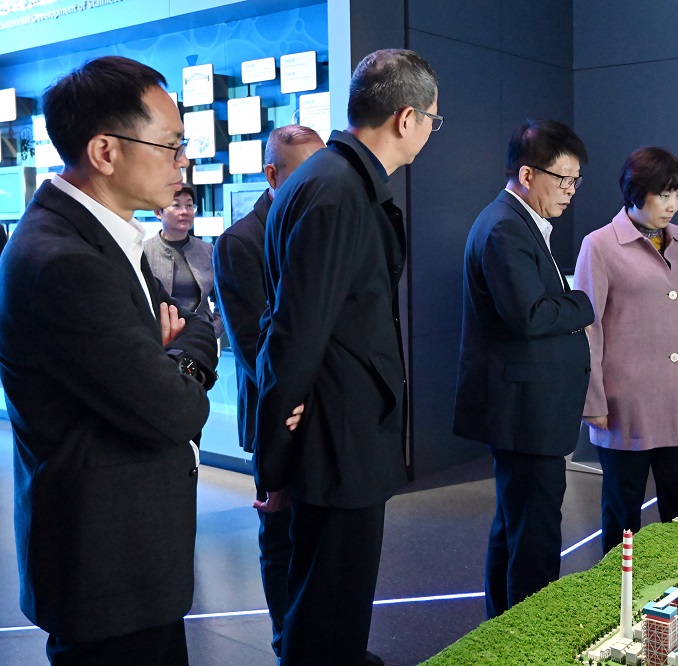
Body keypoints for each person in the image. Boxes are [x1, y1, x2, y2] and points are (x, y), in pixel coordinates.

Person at [0, 56, 219, 664]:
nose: (182, 161)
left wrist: (167, 356)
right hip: (106, 568)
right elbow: (174, 410)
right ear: (105, 151)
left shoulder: (100, 238)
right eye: (171, 145)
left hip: (128, 556)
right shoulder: (63, 261)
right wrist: (186, 352)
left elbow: (164, 360)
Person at [254, 49, 439, 666]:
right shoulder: (336, 191)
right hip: (336, 436)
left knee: (338, 593)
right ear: (406, 118)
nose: (431, 132)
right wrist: (275, 461)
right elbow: (297, 331)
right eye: (433, 119)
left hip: (343, 429)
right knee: (329, 598)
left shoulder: (333, 180)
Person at [454, 119, 595, 619]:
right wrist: (584, 303)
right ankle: (528, 633)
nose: (570, 190)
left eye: (576, 179)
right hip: (525, 412)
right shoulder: (505, 227)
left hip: (528, 409)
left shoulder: (517, 221)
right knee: (533, 536)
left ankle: (501, 628)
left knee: (515, 527)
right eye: (563, 178)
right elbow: (530, 315)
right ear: (528, 173)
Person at [212, 124, 325, 662]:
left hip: (319, 410)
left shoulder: (320, 224)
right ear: (272, 175)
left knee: (319, 535)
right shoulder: (240, 241)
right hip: (276, 413)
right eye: (305, 173)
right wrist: (296, 398)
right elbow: (255, 345)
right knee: (280, 535)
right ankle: (288, 644)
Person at [574, 146, 678, 555]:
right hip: (626, 403)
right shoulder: (600, 245)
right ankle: (617, 589)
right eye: (664, 195)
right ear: (636, 191)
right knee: (622, 514)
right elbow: (587, 329)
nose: (673, 205)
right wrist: (592, 401)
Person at [145, 183, 224, 338]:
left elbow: (223, 301)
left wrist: (212, 331)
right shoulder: (144, 252)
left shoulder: (208, 250)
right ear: (158, 212)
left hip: (201, 338)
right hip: (157, 341)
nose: (184, 211)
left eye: (189, 205)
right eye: (176, 205)